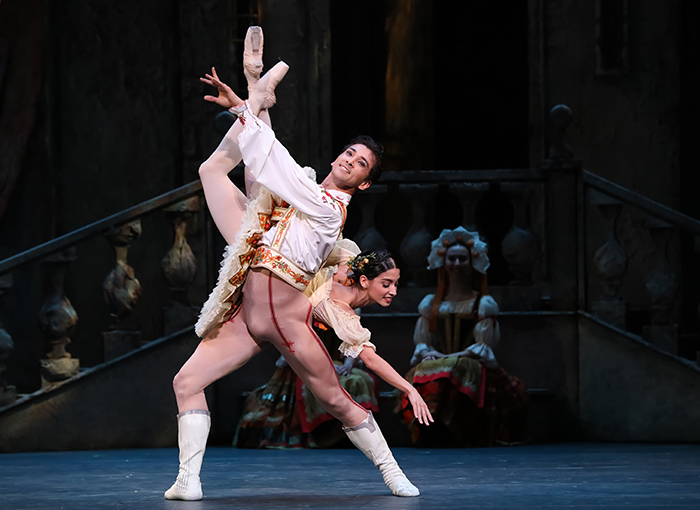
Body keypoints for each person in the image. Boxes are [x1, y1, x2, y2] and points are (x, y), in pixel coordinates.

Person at [165, 27, 424, 501]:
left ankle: (391, 471)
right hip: (248, 313)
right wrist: (254, 95)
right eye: (350, 153)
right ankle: (188, 480)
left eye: (361, 163)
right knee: (186, 381)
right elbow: (262, 172)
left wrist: (248, 105)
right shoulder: (301, 195)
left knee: (335, 400)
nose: (350, 161)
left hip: (287, 318)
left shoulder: (328, 209)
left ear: (365, 182)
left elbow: (275, 164)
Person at [235, 241, 432, 449]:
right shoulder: (339, 309)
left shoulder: (349, 260)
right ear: (364, 281)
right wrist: (409, 389)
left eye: (395, 284)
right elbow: (371, 359)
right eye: (386, 284)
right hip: (271, 304)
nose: (393, 291)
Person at [402, 226, 528, 447]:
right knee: (421, 372)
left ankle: (456, 430)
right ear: (444, 262)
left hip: (471, 361)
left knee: (454, 368)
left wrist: (445, 356)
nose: (457, 264)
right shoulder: (431, 303)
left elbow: (482, 347)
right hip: (440, 359)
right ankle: (431, 428)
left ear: (472, 264)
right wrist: (429, 353)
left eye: (462, 259)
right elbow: (423, 342)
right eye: (452, 259)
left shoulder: (482, 304)